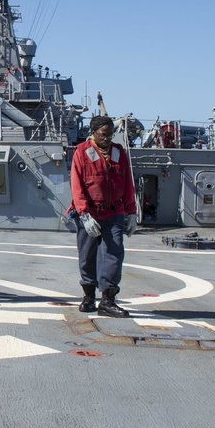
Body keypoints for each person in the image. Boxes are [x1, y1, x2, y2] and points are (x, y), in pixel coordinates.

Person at [67, 115, 137, 317]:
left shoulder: (119, 153)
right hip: (89, 212)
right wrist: (84, 214)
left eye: (110, 135)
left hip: (114, 212)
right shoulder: (81, 153)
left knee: (113, 254)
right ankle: (88, 296)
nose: (107, 139)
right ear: (93, 133)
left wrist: (131, 212)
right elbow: (77, 185)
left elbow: (127, 184)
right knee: (87, 256)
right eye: (103, 135)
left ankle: (107, 300)